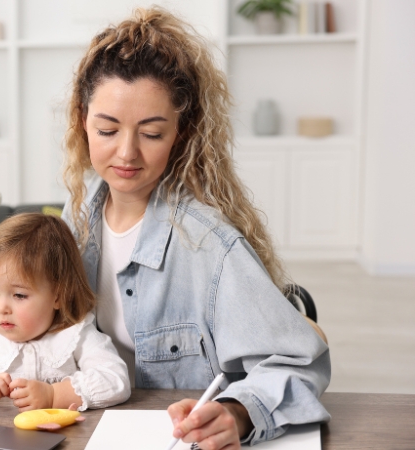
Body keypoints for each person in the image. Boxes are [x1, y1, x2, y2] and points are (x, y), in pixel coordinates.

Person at [61, 7, 330, 449]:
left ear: (181, 134)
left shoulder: (209, 245)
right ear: (81, 121)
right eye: (107, 129)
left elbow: (303, 365)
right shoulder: (75, 232)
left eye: (151, 133)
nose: (126, 153)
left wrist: (238, 413)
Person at [0, 213, 130, 412]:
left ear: (57, 296)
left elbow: (116, 380)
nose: (1, 308)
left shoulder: (75, 334)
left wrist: (54, 395)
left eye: (19, 295)